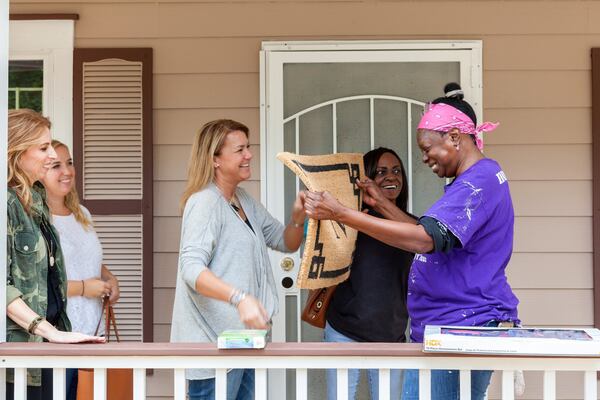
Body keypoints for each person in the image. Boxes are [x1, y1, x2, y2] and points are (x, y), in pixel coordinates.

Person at [304, 83, 519, 400]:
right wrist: (381, 204)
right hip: (451, 325)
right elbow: (433, 235)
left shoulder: (478, 182)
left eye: (428, 148)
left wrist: (341, 213)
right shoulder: (476, 180)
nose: (424, 157)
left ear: (455, 138)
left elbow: (423, 240)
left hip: (460, 327)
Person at [170, 119, 306, 400]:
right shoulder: (205, 202)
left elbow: (286, 242)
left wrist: (297, 217)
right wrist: (240, 298)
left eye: (249, 147)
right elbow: (191, 270)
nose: (249, 155)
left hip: (244, 343)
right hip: (213, 350)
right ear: (215, 160)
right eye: (240, 149)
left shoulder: (243, 200)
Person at [6, 109, 104, 400]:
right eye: (43, 147)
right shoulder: (5, 203)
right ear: (17, 151)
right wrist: (46, 329)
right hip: (20, 350)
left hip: (47, 347)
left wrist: (55, 334)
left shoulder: (36, 202)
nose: (52, 154)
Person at [325, 147, 415, 400]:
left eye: (396, 171)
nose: (391, 177)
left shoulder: (412, 227)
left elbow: (425, 245)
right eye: (381, 172)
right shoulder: (352, 221)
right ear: (365, 181)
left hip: (391, 334)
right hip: (344, 330)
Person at [40, 140, 121, 400]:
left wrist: (109, 278)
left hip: (92, 333)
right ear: (38, 172)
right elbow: (39, 282)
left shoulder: (81, 213)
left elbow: (88, 259)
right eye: (56, 165)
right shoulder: (36, 219)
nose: (67, 171)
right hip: (59, 335)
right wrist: (85, 288)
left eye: (69, 163)